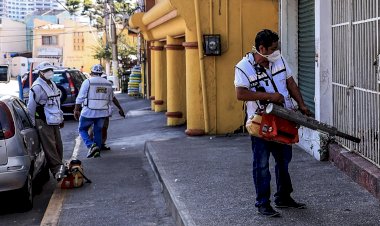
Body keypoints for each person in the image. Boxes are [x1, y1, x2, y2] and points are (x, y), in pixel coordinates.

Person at [234, 29, 311, 217]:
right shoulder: (243, 67)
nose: (277, 51)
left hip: (283, 120)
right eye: (273, 48)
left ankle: (283, 197)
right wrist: (269, 96)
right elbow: (241, 94)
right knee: (261, 164)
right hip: (260, 124)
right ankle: (263, 203)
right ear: (262, 48)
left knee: (283, 161)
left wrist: (302, 105)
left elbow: (291, 83)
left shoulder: (279, 61)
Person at [27, 61, 66, 181]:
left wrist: (61, 118)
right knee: (50, 147)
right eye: (46, 71)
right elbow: (31, 108)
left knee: (58, 145)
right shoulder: (37, 87)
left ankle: (60, 166)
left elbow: (57, 104)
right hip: (43, 121)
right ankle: (57, 170)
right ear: (40, 73)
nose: (50, 72)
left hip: (54, 120)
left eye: (50, 70)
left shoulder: (52, 84)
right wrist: (33, 124)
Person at [74, 64, 113, 158]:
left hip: (88, 112)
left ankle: (91, 145)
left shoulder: (88, 81)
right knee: (98, 131)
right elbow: (110, 99)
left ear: (91, 73)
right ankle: (97, 151)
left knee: (82, 129)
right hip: (103, 112)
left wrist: (76, 109)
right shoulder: (108, 83)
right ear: (101, 73)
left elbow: (80, 97)